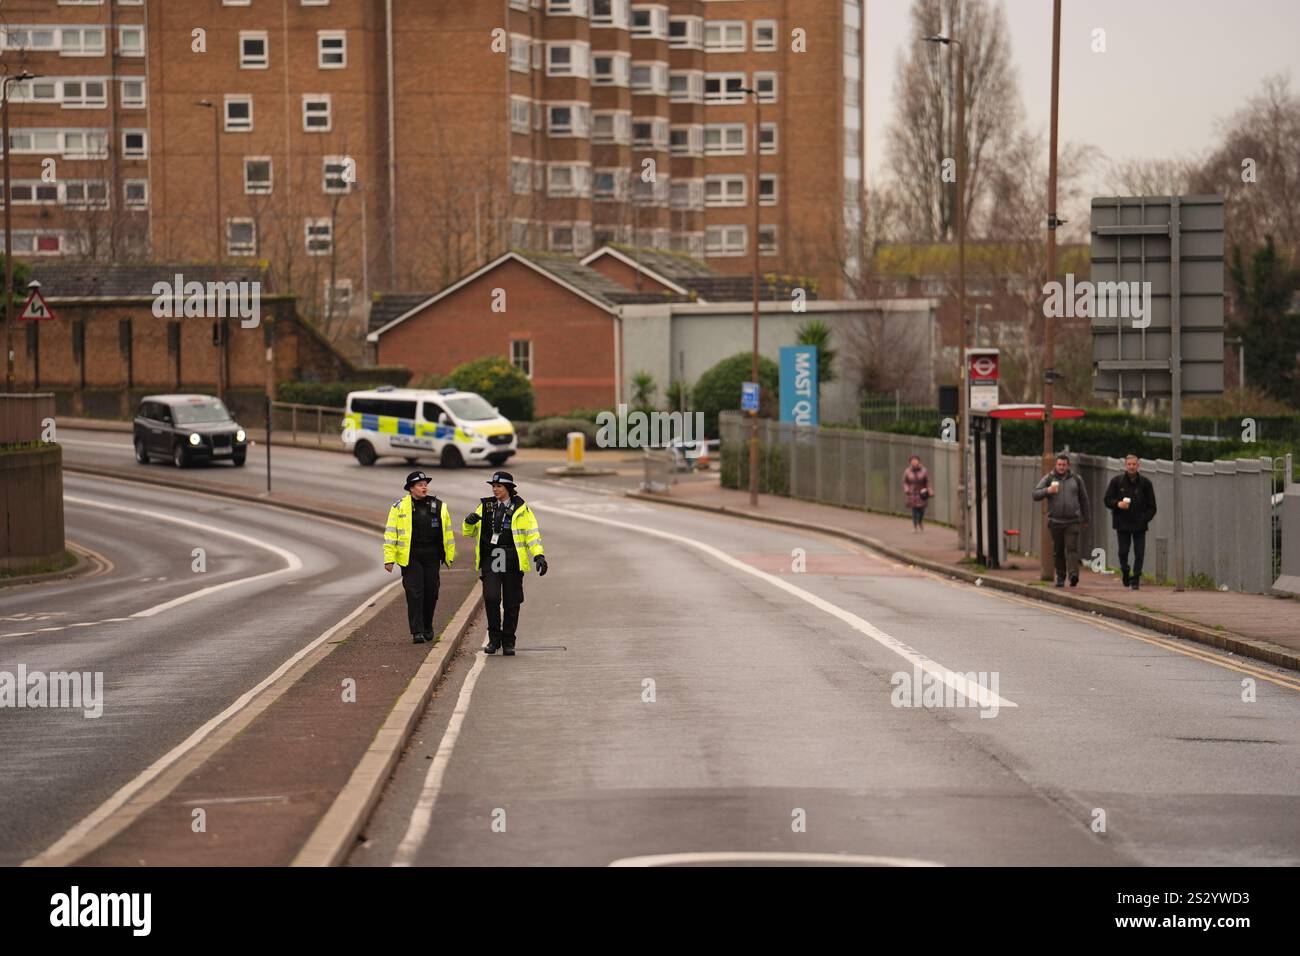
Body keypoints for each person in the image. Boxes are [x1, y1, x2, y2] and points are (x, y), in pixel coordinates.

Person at [463, 471, 547, 656]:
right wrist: (468, 523)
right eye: (493, 486)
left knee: (512, 601)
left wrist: (538, 555)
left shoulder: (522, 508)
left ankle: (508, 640)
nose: (495, 489)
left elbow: (532, 534)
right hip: (492, 556)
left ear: (508, 488)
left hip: (512, 557)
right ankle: (494, 639)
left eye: (499, 486)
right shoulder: (485, 506)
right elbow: (469, 532)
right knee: (491, 597)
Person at [384, 471, 455, 644]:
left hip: (432, 555)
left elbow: (447, 533)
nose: (424, 487)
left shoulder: (439, 506)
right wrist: (389, 558)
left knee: (431, 592)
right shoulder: (398, 507)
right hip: (411, 556)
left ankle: (427, 625)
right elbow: (391, 533)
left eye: (425, 484)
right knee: (415, 593)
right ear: (411, 488)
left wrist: (449, 556)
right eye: (420, 484)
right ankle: (417, 631)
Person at [1031, 453, 1090, 588]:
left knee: (1071, 548)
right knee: (1058, 551)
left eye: (1064, 465)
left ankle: (1073, 575)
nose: (1061, 467)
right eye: (1059, 464)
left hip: (1072, 521)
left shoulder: (1076, 479)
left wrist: (1086, 518)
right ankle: (1061, 577)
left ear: (1068, 465)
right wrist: (1048, 490)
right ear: (1056, 465)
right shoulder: (1049, 478)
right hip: (1056, 521)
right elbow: (1035, 494)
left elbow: (1084, 499)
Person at [1103, 453, 1157, 590]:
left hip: (1139, 524)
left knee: (1139, 553)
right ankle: (1125, 571)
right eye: (1129, 464)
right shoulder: (1117, 481)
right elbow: (1107, 500)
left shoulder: (1145, 483)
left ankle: (1136, 578)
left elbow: (1152, 507)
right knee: (1123, 551)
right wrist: (1118, 504)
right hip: (1122, 523)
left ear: (1138, 466)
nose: (1131, 467)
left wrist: (1144, 518)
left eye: (1134, 464)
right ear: (1125, 466)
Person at [901, 455, 933, 532]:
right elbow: (904, 482)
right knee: (914, 510)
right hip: (912, 493)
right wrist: (907, 489)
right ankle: (915, 526)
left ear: (919, 461)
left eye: (915, 460)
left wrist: (929, 490)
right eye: (912, 460)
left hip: (922, 493)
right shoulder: (907, 471)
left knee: (921, 509)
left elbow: (928, 481)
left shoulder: (924, 471)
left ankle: (920, 521)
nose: (914, 462)